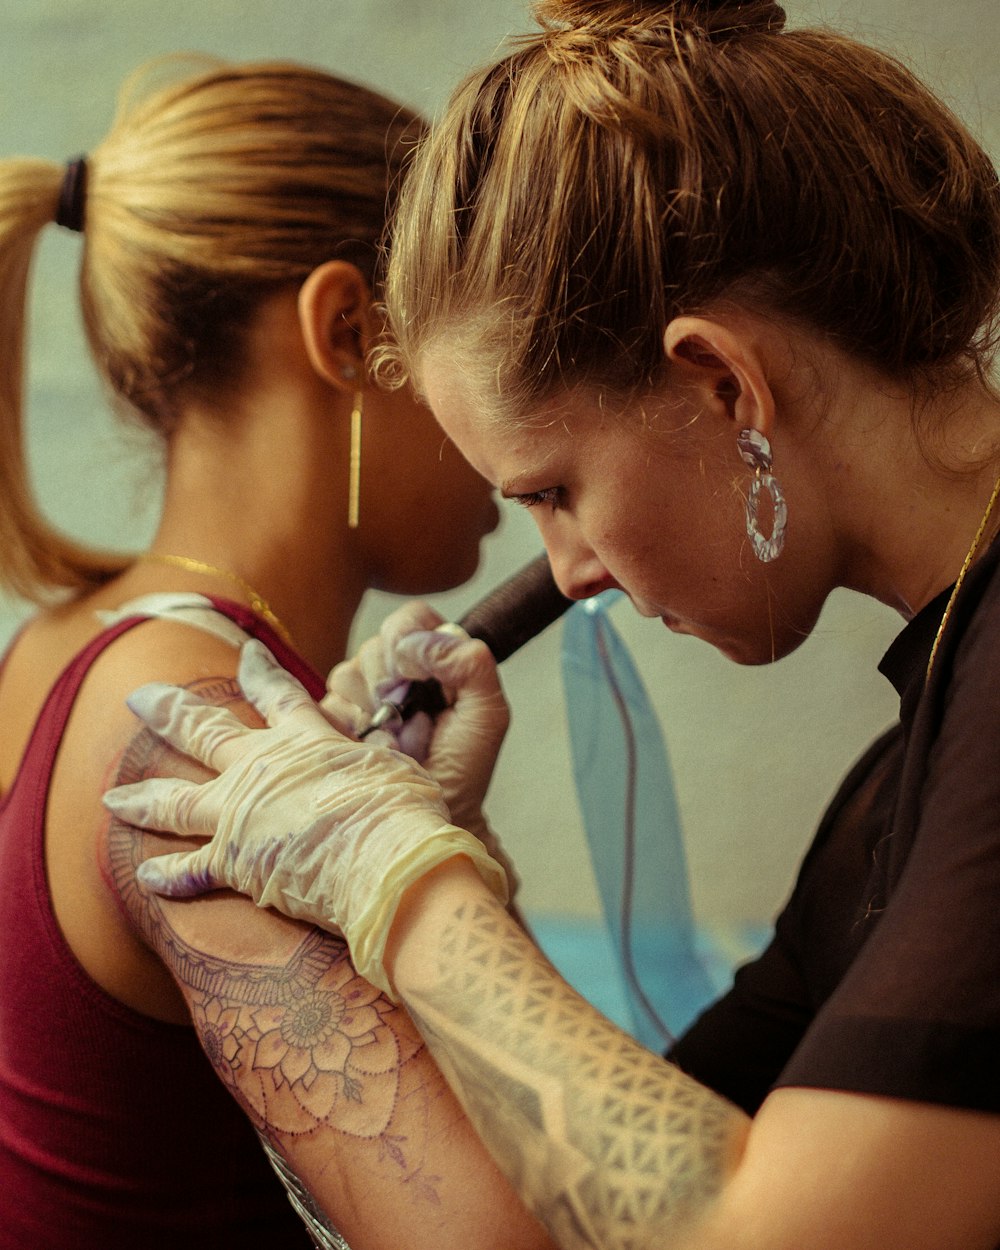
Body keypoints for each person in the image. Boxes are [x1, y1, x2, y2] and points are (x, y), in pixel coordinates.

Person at [103, 2, 1000, 1247]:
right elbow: (636, 1184)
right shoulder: (907, 769)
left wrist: (398, 881)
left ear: (722, 384)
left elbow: (760, 1234)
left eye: (551, 491)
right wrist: (449, 859)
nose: (567, 571)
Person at [0, 54, 558, 1250]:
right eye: (481, 339)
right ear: (348, 331)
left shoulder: (57, 645)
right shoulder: (203, 733)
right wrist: (444, 882)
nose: (516, 423)